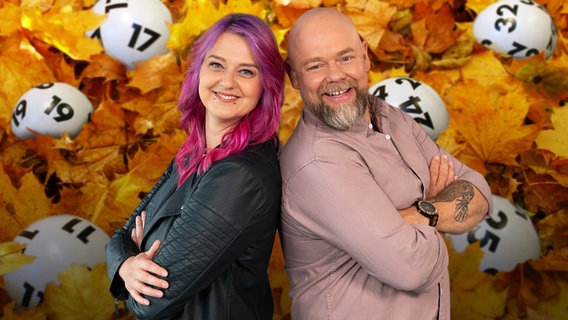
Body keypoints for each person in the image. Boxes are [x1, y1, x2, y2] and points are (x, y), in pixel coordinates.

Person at [279, 7, 493, 320]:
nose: (335, 75)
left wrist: (421, 212)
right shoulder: (317, 162)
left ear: (365, 55)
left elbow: (479, 190)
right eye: (315, 65)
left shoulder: (391, 117)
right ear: (293, 76)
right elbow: (412, 269)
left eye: (346, 57)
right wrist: (441, 213)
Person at [105, 13, 286, 320]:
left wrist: (136, 256)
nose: (227, 82)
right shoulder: (193, 153)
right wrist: (127, 263)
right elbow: (121, 234)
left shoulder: (240, 176)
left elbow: (148, 302)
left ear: (265, 85)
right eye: (216, 64)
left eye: (246, 71)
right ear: (198, 70)